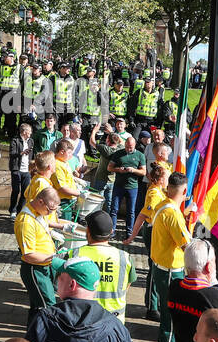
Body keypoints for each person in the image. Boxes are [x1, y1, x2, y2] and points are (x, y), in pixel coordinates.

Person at [147, 173, 193, 342]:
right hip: (170, 270)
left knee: (172, 319)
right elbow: (186, 245)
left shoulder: (163, 205)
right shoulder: (173, 214)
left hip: (163, 267)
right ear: (184, 191)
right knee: (171, 320)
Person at [72, 210, 135, 323]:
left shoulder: (75, 254)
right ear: (111, 232)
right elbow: (127, 285)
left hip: (83, 319)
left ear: (88, 231)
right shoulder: (124, 257)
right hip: (115, 321)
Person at [15, 186, 68, 321]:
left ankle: (32, 337)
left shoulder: (38, 212)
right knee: (48, 307)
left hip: (44, 265)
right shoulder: (26, 221)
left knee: (37, 307)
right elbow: (28, 255)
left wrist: (57, 229)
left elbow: (43, 225)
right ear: (40, 201)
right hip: (35, 269)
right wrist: (54, 259)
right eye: (50, 209)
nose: (50, 213)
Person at [8, 121, 34, 218]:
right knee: (15, 190)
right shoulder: (15, 140)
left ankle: (20, 210)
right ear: (24, 132)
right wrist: (22, 153)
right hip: (16, 169)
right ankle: (12, 210)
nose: (30, 134)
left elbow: (32, 154)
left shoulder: (31, 141)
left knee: (25, 192)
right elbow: (12, 153)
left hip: (26, 170)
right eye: (29, 132)